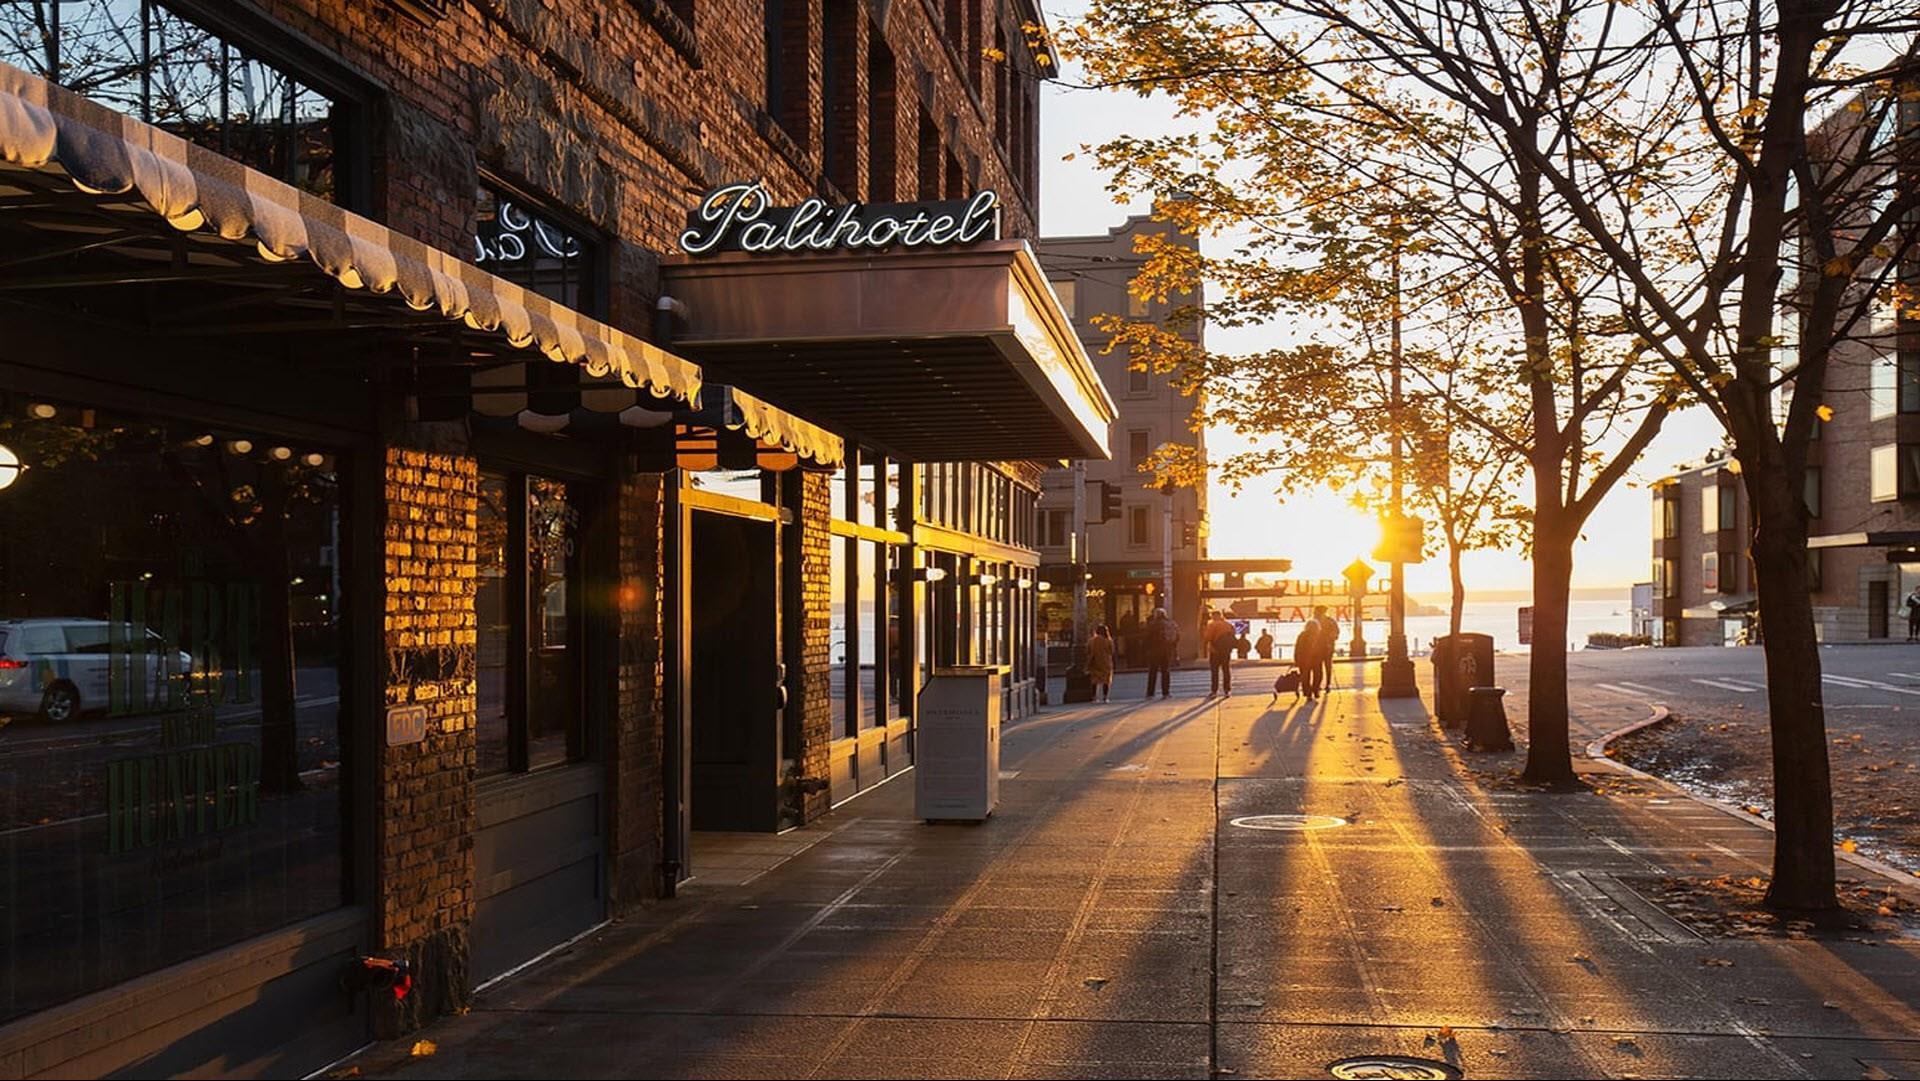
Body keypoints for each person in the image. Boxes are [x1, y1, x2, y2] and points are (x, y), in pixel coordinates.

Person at [1144, 607, 1178, 698]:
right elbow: (1177, 637)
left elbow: (1147, 637)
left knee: (1153, 672)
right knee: (1166, 671)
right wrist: (1172, 647)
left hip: (1154, 650)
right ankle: (1166, 693)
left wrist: (1147, 648)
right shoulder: (1171, 624)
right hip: (1167, 650)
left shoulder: (1152, 624)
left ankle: (1150, 693)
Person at [1205, 609, 1236, 697]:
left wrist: (1207, 643)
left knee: (1215, 671)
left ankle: (1214, 691)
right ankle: (1227, 690)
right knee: (1226, 670)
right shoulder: (1228, 625)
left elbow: (1207, 637)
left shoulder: (1212, 625)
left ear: (1213, 616)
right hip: (1226, 651)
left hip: (1215, 651)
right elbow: (1233, 636)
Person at [1312, 605, 1341, 693]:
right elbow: (1336, 632)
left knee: (1320, 667)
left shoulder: (1316, 621)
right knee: (1323, 666)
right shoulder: (1330, 621)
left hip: (1323, 647)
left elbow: (1336, 632)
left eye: (1316, 612)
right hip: (1326, 647)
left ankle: (1323, 684)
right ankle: (1323, 684)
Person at [1294, 619, 1324, 699]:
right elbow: (1322, 648)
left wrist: (1296, 660)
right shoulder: (1319, 636)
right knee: (1318, 675)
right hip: (1316, 659)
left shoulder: (1302, 635)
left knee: (1305, 677)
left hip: (1304, 659)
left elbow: (1297, 648)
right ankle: (1315, 690)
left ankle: (1308, 693)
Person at [1086, 624, 1115, 702]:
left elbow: (1087, 650)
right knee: (1106, 680)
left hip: (1095, 662)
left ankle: (1094, 697)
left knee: (1094, 680)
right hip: (1106, 662)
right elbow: (1111, 651)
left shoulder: (1091, 640)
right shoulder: (1108, 640)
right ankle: (1105, 697)